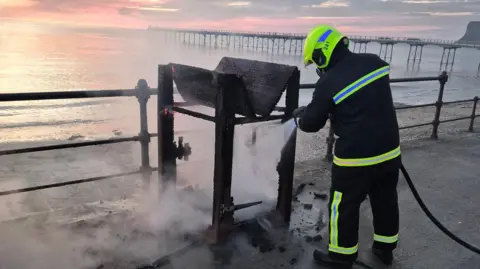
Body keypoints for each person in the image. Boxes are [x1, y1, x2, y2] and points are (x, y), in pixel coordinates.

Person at [292, 25, 401, 269]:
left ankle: (340, 257)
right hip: (389, 149)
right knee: (385, 199)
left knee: (343, 204)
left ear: (323, 53)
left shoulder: (329, 82)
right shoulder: (374, 62)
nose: (318, 68)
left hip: (356, 157)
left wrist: (302, 116)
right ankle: (384, 250)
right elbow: (362, 99)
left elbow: (311, 124)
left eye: (316, 62)